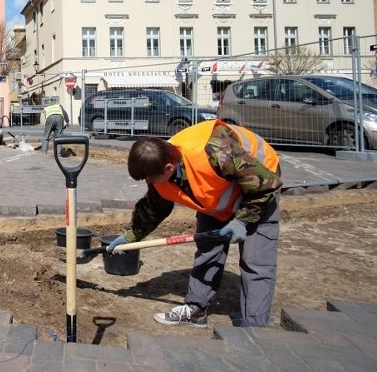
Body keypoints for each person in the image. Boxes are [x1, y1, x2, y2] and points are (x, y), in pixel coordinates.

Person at [108, 120, 282, 328]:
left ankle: (254, 328)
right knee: (208, 252)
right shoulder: (160, 166)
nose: (149, 183)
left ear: (169, 167)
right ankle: (195, 310)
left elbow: (264, 186)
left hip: (260, 186)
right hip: (214, 197)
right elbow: (155, 207)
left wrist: (242, 220)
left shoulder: (217, 152)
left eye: (151, 179)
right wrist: (130, 236)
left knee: (255, 262)